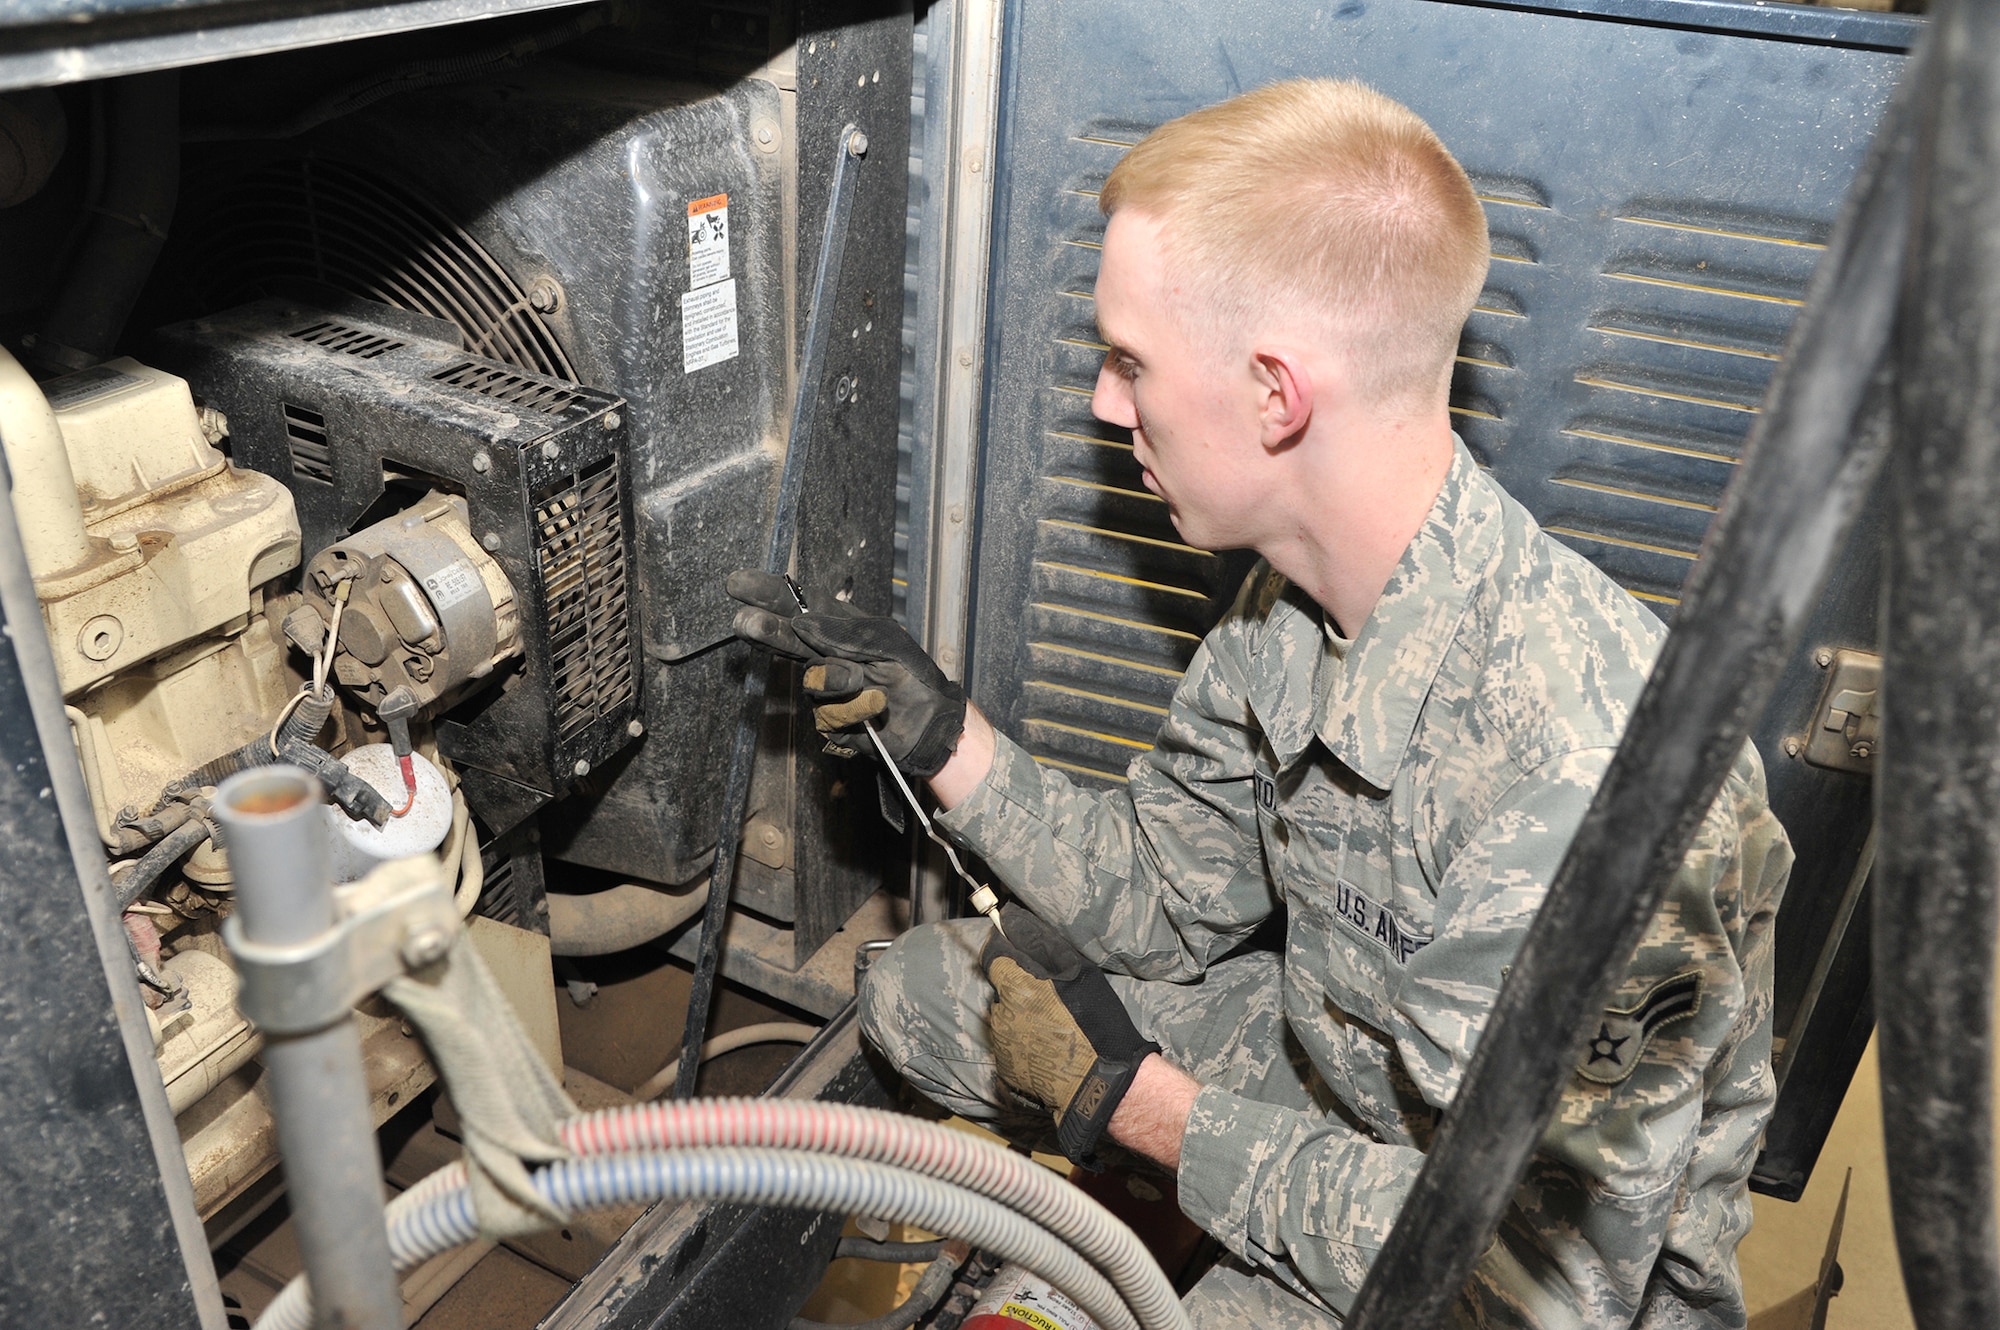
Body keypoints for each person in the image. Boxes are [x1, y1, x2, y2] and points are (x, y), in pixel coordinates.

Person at [730, 78, 1791, 1329]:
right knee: (917, 995)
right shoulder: (1284, 608)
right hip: (1337, 1070)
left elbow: (1531, 1281)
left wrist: (1145, 1114)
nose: (1101, 404)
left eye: (1129, 361)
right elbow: (1166, 903)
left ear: (1276, 393)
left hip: (1503, 1280)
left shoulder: (1586, 784)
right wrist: (939, 730)